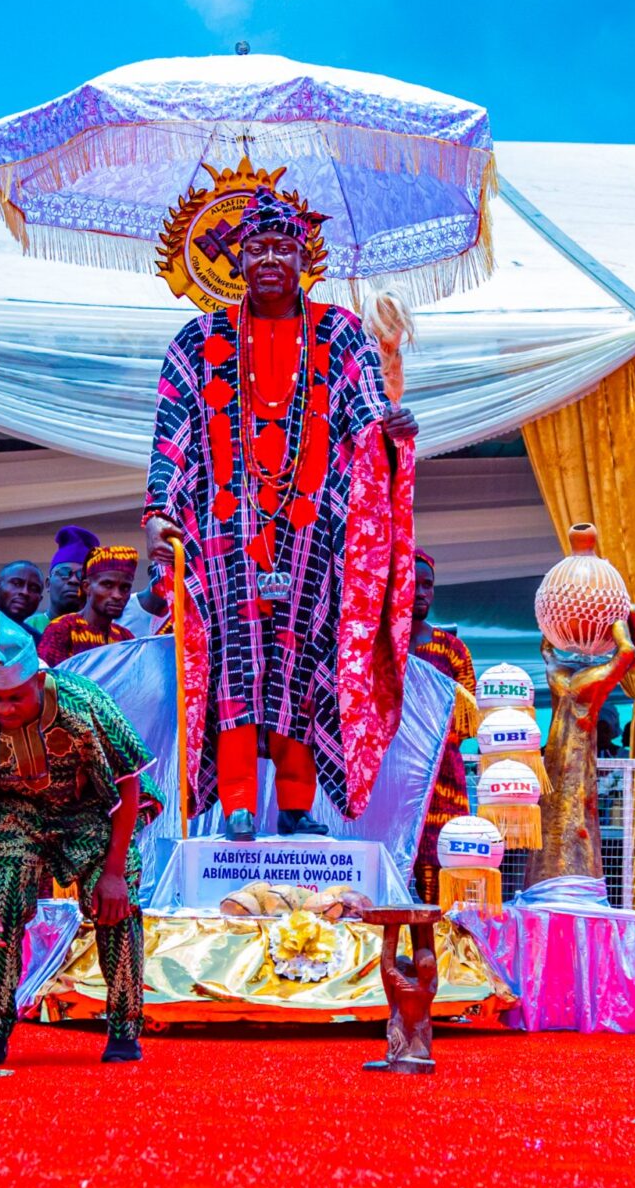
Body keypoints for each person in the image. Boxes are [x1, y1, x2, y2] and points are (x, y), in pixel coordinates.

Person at [143, 186, 417, 840]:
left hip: (313, 527)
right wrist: (158, 508)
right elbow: (170, 433)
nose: (270, 259)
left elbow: (367, 417)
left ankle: (296, 803)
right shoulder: (198, 339)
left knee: (303, 657)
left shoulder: (340, 333)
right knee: (236, 658)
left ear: (303, 258)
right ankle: (238, 802)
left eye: (283, 247)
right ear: (236, 260)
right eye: (257, 248)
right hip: (223, 530)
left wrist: (392, 430)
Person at [0, 615, 158, 1067]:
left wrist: (114, 872)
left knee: (117, 902)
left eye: (15, 698)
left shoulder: (83, 702)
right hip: (17, 814)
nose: (4, 709)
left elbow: (127, 783)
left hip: (90, 809)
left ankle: (124, 1028)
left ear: (39, 681)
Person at [406, 548, 478, 894]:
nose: (421, 592)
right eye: (412, 584)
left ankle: (439, 926)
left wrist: (435, 739)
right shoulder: (379, 646)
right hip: (393, 771)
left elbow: (469, 719)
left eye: (428, 585)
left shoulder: (452, 650)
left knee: (442, 858)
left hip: (443, 773)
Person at [36, 543, 136, 665]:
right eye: (107, 585)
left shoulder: (125, 638)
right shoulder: (62, 630)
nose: (117, 595)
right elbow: (47, 676)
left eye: (125, 588)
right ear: (86, 587)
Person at [24, 526, 98, 638]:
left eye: (81, 575)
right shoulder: (27, 628)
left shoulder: (101, 631)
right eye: (64, 572)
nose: (73, 580)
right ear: (48, 584)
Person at [0, 559, 46, 634]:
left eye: (33, 589)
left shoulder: (38, 639)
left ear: (40, 599)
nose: (25, 592)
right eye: (16, 584)